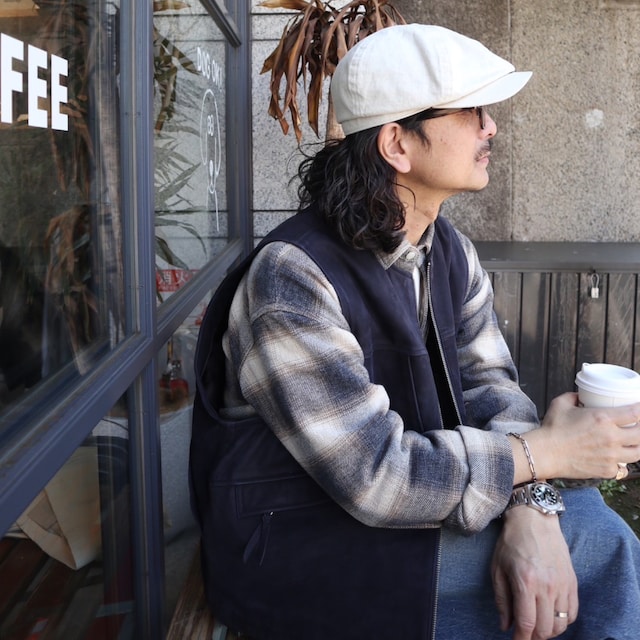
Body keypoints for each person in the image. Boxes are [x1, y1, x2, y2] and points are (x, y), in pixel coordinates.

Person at [190, 24, 640, 640]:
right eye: (471, 111)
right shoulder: (292, 279)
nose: (490, 127)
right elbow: (375, 475)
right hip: (295, 543)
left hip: (402, 508)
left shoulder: (447, 249)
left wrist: (529, 502)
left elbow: (492, 388)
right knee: (601, 546)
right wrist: (546, 454)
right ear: (397, 143)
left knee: (578, 522)